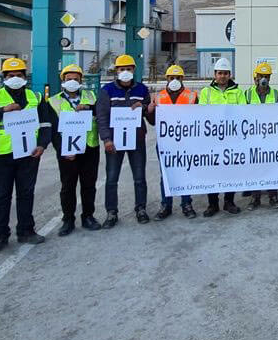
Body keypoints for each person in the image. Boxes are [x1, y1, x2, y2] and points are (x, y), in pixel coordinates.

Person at [0, 57, 53, 255]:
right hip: (2, 154)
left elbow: (45, 123)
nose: (15, 78)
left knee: (26, 193)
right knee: (1, 196)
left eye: (19, 75)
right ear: (4, 77)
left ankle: (26, 230)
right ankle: (0, 236)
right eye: (10, 75)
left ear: (25, 77)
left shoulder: (35, 97)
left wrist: (43, 144)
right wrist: (1, 111)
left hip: (29, 153)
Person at [96, 54, 152, 228]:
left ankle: (141, 208)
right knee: (112, 178)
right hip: (114, 141)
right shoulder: (107, 91)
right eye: (122, 69)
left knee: (139, 177)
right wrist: (106, 139)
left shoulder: (142, 90)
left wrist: (143, 107)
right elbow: (102, 117)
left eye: (128, 69)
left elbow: (148, 112)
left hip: (137, 140)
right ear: (116, 71)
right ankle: (112, 212)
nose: (125, 72)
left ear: (134, 70)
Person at [50, 64, 101, 236]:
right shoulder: (54, 101)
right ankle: (68, 220)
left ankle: (88, 216)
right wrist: (63, 149)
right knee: (68, 186)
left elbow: (101, 113)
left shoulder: (91, 96)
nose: (72, 82)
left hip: (89, 147)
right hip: (67, 151)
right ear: (63, 81)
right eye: (68, 79)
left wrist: (89, 108)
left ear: (81, 80)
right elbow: (53, 130)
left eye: (75, 79)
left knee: (89, 185)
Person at [148, 64, 198, 219]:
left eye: (177, 78)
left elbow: (199, 118)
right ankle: (166, 205)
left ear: (182, 79)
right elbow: (153, 121)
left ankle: (186, 204)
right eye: (171, 78)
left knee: (185, 172)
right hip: (165, 143)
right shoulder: (159, 97)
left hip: (186, 141)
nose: (174, 80)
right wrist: (150, 110)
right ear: (166, 79)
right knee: (166, 174)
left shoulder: (192, 96)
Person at [198, 57, 245, 216]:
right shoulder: (206, 92)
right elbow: (202, 114)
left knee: (230, 171)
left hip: (232, 139)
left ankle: (229, 202)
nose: (223, 76)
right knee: (212, 172)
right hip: (212, 139)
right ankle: (213, 204)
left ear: (230, 74)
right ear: (215, 74)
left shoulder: (238, 92)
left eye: (225, 73)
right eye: (220, 73)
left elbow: (243, 114)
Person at [243, 62, 278, 210]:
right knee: (255, 168)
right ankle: (255, 197)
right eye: (261, 76)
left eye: (266, 76)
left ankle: (273, 196)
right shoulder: (247, 94)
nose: (263, 79)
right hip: (253, 138)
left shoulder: (276, 94)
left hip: (270, 138)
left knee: (271, 168)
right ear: (255, 77)